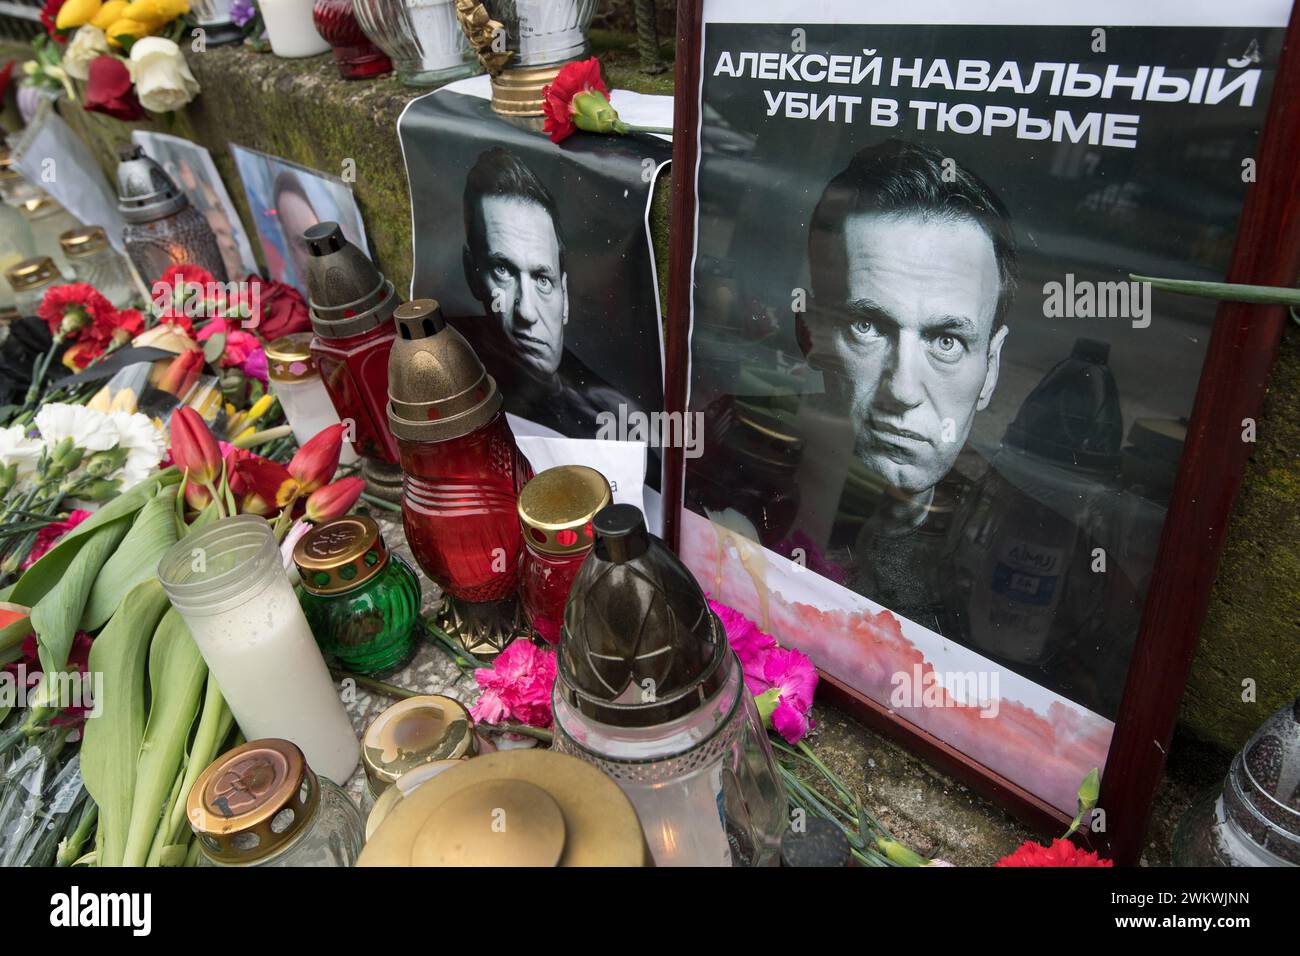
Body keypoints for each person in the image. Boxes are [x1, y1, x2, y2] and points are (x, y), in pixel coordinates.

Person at [794, 140, 1136, 717]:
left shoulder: (1056, 561)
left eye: (946, 342)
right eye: (868, 326)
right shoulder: (748, 486)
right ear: (812, 334)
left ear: (991, 368)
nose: (902, 389)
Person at [461, 146, 641, 439]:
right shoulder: (452, 373)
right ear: (472, 274)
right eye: (503, 271)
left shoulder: (616, 417)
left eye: (543, 279)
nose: (527, 313)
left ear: (565, 297)